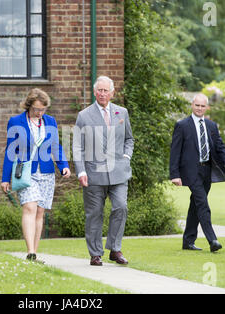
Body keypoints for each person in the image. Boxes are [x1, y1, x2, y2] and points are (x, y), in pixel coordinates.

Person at [1, 88, 71, 262]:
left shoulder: (50, 122)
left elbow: (56, 146)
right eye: (36, 109)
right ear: (29, 106)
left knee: (40, 212)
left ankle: (35, 253)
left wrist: (63, 166)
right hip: (26, 172)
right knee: (29, 208)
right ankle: (30, 251)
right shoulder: (16, 122)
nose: (39, 113)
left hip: (46, 172)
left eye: (43, 109)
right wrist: (5, 178)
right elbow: (10, 151)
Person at [73, 76, 134, 266]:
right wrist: (81, 171)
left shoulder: (121, 112)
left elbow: (129, 139)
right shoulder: (84, 115)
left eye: (106, 90)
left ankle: (115, 249)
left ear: (112, 92)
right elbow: (77, 147)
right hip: (93, 174)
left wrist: (126, 157)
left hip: (119, 172)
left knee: (121, 207)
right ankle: (95, 253)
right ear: (94, 92)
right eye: (99, 90)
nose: (102, 93)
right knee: (94, 214)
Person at [169, 93, 225, 252]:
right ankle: (212, 240)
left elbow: (220, 147)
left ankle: (188, 241)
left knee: (196, 205)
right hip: (190, 171)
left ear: (207, 107)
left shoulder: (212, 126)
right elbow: (175, 152)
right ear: (192, 105)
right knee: (202, 204)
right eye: (197, 105)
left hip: (207, 170)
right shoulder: (182, 125)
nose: (199, 108)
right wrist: (174, 174)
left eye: (202, 106)